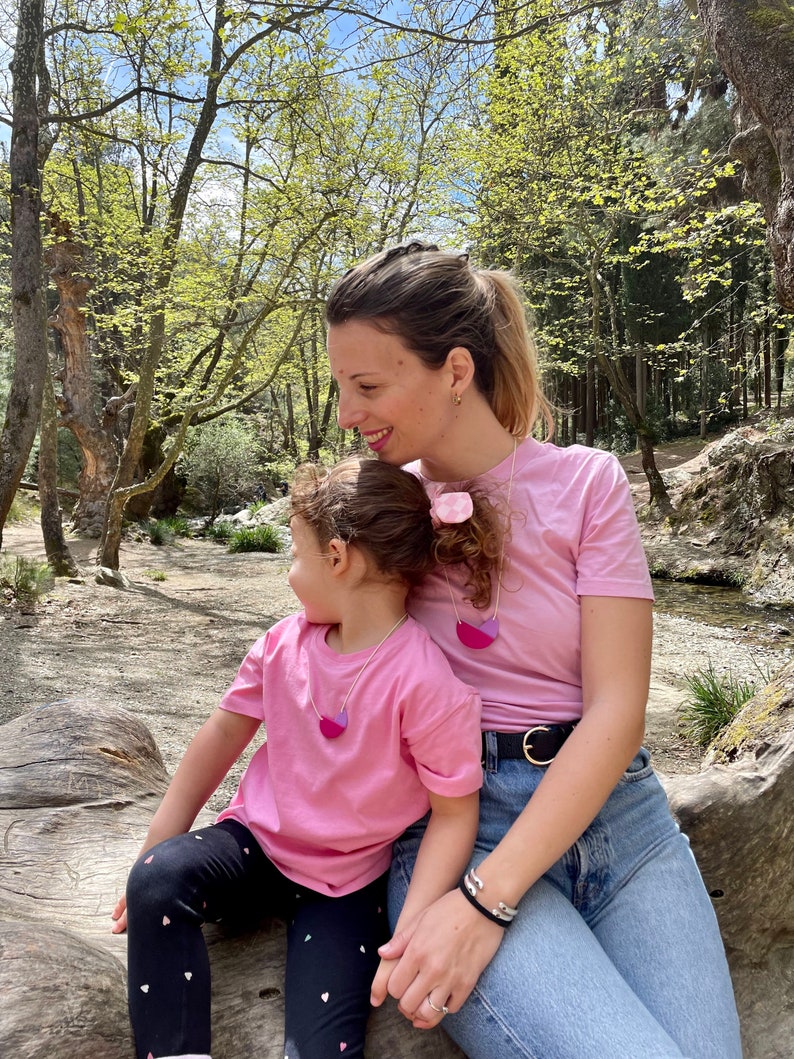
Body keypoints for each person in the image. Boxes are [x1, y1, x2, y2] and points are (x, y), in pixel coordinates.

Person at [324, 242, 743, 1059]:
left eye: (368, 385)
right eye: (343, 385)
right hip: (459, 827)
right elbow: (311, 673)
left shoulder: (587, 483)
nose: (347, 412)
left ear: (454, 369)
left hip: (623, 823)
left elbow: (618, 708)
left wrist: (488, 904)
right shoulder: (379, 507)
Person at [111, 454, 502, 1059]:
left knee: (320, 1047)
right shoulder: (281, 644)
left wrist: (413, 930)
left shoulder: (428, 685)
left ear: (338, 557)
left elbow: (455, 813)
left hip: (346, 886)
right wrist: (154, 853)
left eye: (296, 554)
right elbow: (218, 739)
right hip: (255, 846)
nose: (291, 573)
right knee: (159, 881)